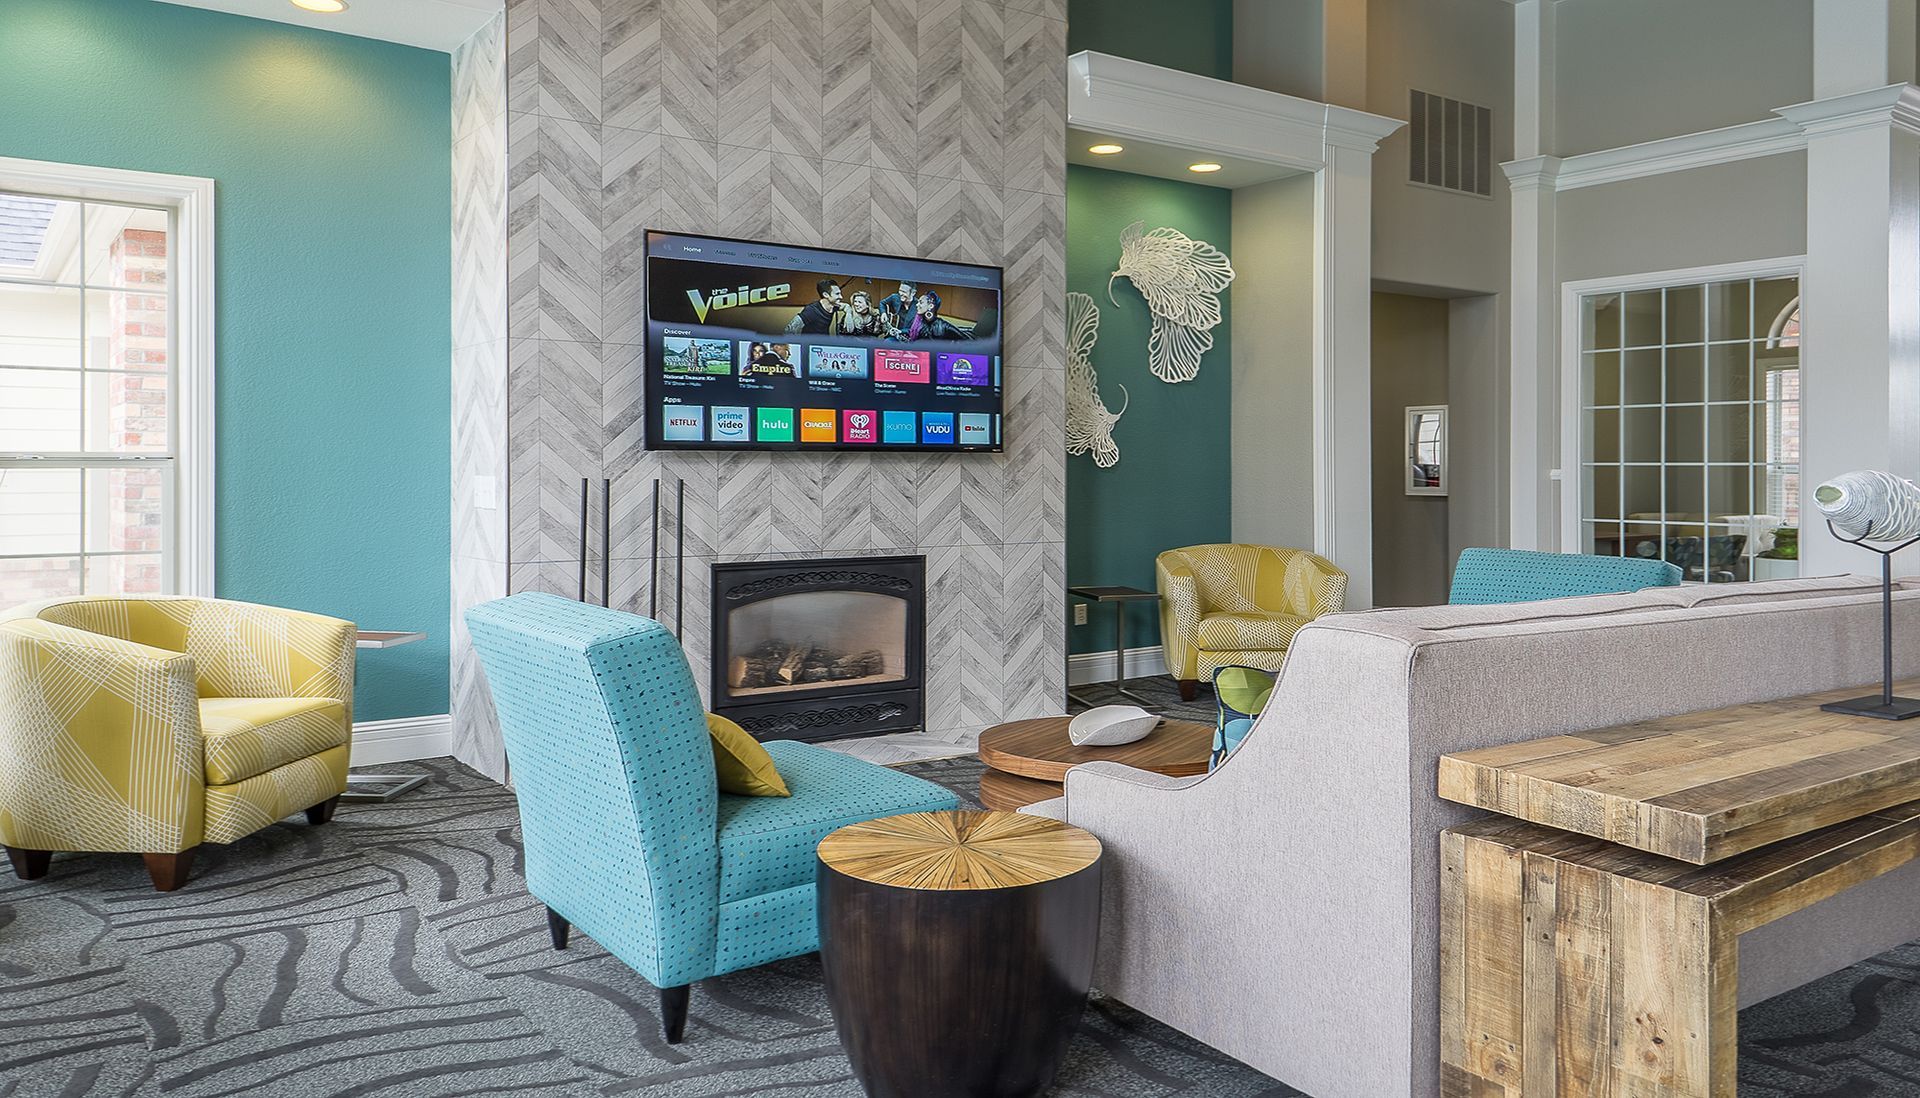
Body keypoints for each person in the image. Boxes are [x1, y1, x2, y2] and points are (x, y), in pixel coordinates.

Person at [899, 289, 967, 341]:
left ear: (930, 306)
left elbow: (966, 339)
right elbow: (915, 332)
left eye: (921, 302)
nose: (917, 305)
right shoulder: (921, 321)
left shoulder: (941, 326)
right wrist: (900, 331)